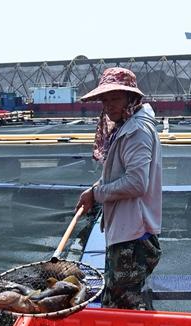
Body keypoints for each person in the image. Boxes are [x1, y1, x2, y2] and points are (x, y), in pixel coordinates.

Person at [75, 67, 162, 310]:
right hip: (127, 233)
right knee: (118, 302)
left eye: (115, 98)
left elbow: (136, 183)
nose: (108, 105)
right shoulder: (127, 125)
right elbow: (121, 174)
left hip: (133, 239)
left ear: (131, 98)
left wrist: (97, 194)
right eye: (105, 99)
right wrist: (93, 190)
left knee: (123, 309)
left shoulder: (136, 131)